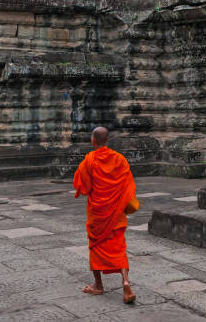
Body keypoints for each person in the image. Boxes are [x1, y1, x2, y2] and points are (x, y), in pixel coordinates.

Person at [73, 126, 136, 303]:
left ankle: (98, 285)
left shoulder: (89, 160)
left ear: (93, 140)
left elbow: (83, 187)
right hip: (116, 213)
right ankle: (125, 281)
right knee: (119, 247)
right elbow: (128, 186)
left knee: (95, 246)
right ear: (107, 140)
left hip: (98, 213)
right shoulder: (120, 159)